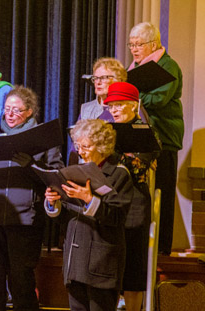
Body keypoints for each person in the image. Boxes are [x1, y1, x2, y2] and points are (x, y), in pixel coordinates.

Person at [0, 86, 62, 311]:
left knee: (21, 280)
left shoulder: (44, 140)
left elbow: (55, 176)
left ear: (29, 112)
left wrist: (31, 165)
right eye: (7, 109)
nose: (10, 114)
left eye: (16, 110)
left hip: (26, 219)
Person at [44, 119, 131, 311]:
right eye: (78, 145)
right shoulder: (75, 170)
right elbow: (66, 217)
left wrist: (90, 200)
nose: (80, 151)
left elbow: (118, 217)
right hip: (75, 259)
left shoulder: (119, 174)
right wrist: (53, 202)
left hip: (102, 262)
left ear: (102, 146)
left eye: (86, 146)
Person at [127, 22, 183, 256]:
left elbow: (159, 99)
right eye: (131, 44)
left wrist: (132, 97)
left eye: (138, 44)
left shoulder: (168, 65)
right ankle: (140, 247)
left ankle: (161, 250)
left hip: (164, 138)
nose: (133, 49)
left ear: (153, 44)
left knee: (163, 193)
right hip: (140, 138)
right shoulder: (135, 68)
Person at [104, 82, 156, 311]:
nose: (114, 110)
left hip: (134, 205)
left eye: (120, 105)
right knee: (109, 266)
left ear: (135, 105)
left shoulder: (146, 132)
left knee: (134, 266)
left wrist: (113, 154)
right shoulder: (105, 131)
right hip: (109, 201)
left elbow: (139, 167)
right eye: (111, 106)